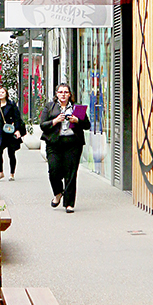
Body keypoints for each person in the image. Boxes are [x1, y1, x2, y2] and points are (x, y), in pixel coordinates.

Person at [39, 83, 91, 213]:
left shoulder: (76, 108)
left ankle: (69, 204)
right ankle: (58, 193)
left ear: (70, 94)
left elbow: (87, 125)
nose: (63, 94)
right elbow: (43, 125)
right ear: (56, 94)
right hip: (54, 143)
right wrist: (55, 121)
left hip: (73, 143)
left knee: (71, 174)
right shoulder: (50, 107)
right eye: (61, 92)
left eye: (66, 92)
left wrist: (77, 120)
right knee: (53, 171)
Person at [0, 86, 26, 180]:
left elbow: (17, 118)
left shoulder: (11, 105)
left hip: (9, 132)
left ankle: (12, 174)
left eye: (3, 92)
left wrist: (17, 130)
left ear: (6, 94)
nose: (1, 94)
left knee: (11, 153)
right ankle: (0, 172)